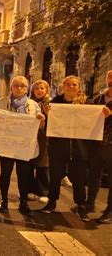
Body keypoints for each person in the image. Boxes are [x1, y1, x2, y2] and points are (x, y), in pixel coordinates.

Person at [40, 75, 109, 221]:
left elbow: (95, 121)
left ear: (79, 88)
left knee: (78, 179)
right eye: (69, 85)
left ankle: (80, 206)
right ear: (63, 87)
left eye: (75, 85)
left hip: (79, 149)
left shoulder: (87, 104)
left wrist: (104, 115)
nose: (71, 87)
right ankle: (51, 202)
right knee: (55, 177)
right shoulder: (54, 103)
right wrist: (47, 114)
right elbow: (48, 126)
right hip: (58, 148)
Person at [0, 75, 44, 215]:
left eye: (22, 86)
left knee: (24, 175)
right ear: (11, 87)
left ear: (27, 89)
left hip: (24, 147)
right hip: (6, 145)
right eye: (16, 85)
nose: (19, 88)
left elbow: (41, 127)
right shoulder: (2, 102)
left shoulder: (33, 105)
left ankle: (23, 202)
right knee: (5, 174)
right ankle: (4, 201)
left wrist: (41, 120)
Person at [87, 70, 112, 223]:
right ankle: (89, 204)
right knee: (93, 176)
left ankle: (110, 211)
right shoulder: (98, 99)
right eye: (110, 76)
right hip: (96, 144)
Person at [28, 80, 51, 204]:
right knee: (29, 164)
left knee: (43, 163)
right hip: (30, 136)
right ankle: (29, 189)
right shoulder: (29, 103)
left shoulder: (50, 104)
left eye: (42, 88)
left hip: (44, 138)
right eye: (37, 88)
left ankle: (43, 191)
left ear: (46, 90)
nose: (39, 90)